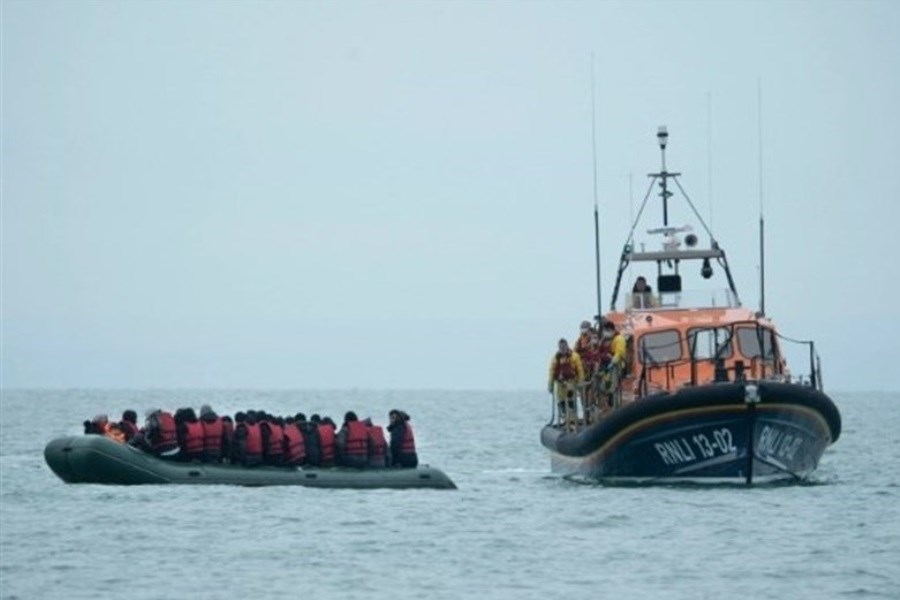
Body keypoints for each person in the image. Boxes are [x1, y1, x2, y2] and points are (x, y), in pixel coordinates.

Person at [548, 338, 585, 429]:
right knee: (561, 402)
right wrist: (550, 384)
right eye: (561, 347)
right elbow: (552, 371)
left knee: (571, 400)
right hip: (560, 384)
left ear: (567, 346)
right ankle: (565, 418)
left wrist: (580, 381)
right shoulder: (555, 358)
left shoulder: (574, 356)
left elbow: (579, 370)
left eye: (564, 346)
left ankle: (573, 419)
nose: (563, 349)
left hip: (571, 382)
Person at [597, 320, 627, 408]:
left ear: (612, 330)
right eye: (604, 330)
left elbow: (619, 353)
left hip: (615, 366)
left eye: (607, 330)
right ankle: (608, 399)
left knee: (611, 385)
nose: (605, 332)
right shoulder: (604, 340)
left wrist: (612, 362)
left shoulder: (619, 339)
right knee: (603, 385)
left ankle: (613, 402)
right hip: (605, 366)